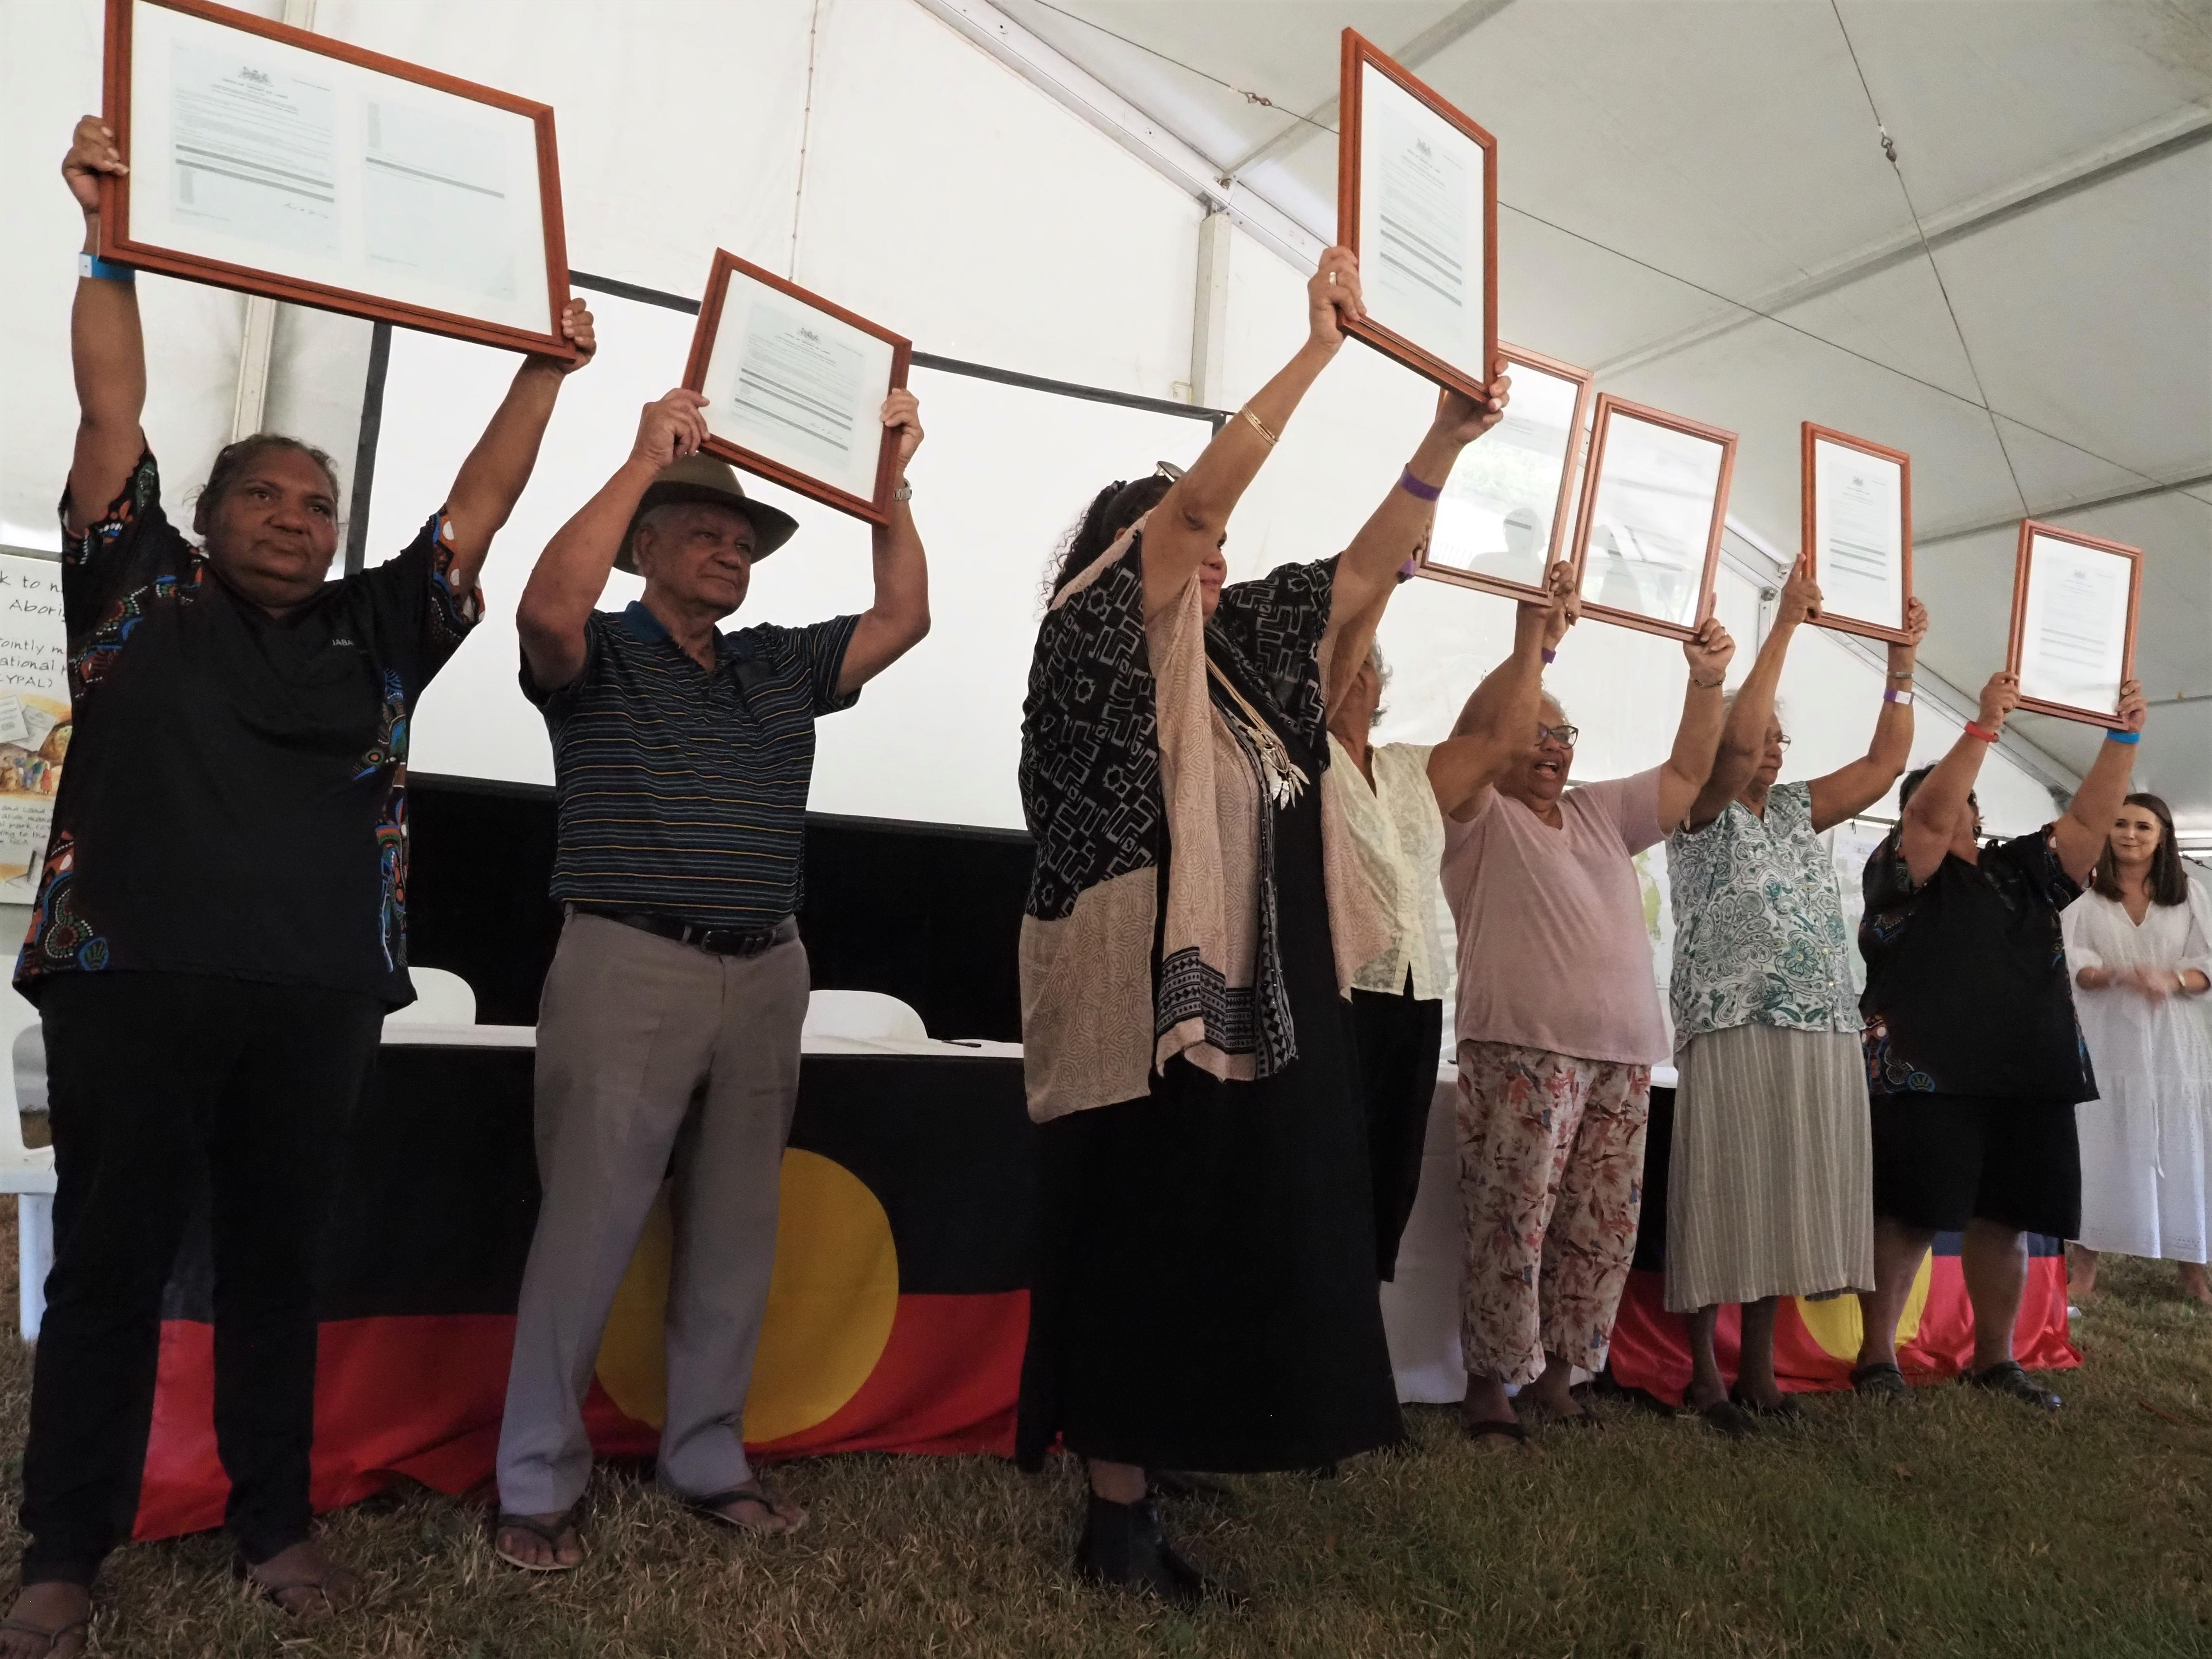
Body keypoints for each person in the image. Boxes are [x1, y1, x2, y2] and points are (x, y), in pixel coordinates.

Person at [2, 116, 594, 1657]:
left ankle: (276, 1522)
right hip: (129, 983)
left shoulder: (383, 634)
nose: (294, 518)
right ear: (204, 517)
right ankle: (66, 1547)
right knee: (112, 1278)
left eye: (318, 503)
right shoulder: (136, 595)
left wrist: (546, 368)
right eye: (265, 495)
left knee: (278, 1270)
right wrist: (110, 242)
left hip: (318, 999)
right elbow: (107, 403)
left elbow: (482, 509)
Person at [1014, 247, 1509, 1603]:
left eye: (1221, 551)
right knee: (1138, 1244)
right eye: (1193, 541)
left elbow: (1359, 576)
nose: (1216, 558)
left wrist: (1442, 436)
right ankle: (1114, 1524)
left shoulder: (1240, 675)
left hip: (1246, 1013)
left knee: (1202, 1246)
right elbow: (1189, 514)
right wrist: (1319, 352)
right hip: (1135, 1015)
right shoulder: (1094, 637)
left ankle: (1157, 1458)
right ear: (1133, 551)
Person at [491, 384, 929, 1571]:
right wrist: (643, 457)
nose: (732, 548)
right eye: (705, 531)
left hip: (767, 966)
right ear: (644, 545)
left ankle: (705, 1454)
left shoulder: (780, 665)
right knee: (587, 1224)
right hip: (628, 958)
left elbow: (905, 613)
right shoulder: (598, 652)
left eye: (744, 541)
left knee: (737, 1226)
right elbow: (543, 602)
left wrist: (888, 489)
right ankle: (533, 1479)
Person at [1442, 607, 1737, 1445]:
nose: (1552, 747)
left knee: (1598, 1227)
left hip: (1624, 1057)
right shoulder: (1474, 817)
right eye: (1534, 733)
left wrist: (1707, 680)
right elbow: (1474, 732)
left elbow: (1688, 770)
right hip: (1523, 1052)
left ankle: (1562, 1378)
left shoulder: (1600, 811)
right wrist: (1536, 646)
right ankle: (1490, 1386)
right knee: (1514, 1219)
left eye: (1563, 733)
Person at [1664, 565, 1926, 1432]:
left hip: (1817, 1020)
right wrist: (1784, 627)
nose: (1770, 747)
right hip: (1731, 1018)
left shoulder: (1795, 809)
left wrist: (1902, 663)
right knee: (1725, 1188)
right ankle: (1703, 1373)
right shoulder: (1699, 806)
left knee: (1787, 1191)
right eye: (1761, 732)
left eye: (1782, 735)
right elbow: (1730, 751)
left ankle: (1760, 1370)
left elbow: (1889, 762)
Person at [1852, 671, 2147, 1410]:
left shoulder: (2024, 871)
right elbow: (1926, 817)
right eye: (1945, 802)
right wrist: (1984, 725)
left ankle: (1995, 1359)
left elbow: (2087, 822)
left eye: (1966, 805)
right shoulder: (1901, 873)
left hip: (2029, 1068)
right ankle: (1877, 1359)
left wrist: (2124, 739)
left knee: (2008, 1217)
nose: (1956, 814)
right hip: (1925, 1075)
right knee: (1910, 1215)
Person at [1325, 564, 1579, 1281]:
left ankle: (1359, 1348)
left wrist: (1536, 641)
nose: (1358, 671)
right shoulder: (1298, 760)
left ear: (1379, 686)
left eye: (1368, 661)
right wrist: (1390, 576)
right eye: (1345, 655)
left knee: (1386, 1180)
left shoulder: (1410, 768)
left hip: (1415, 998)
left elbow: (1501, 742)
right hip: (1336, 994)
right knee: (1322, 1177)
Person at [2062, 794, 2212, 1303]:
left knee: (2182, 1144)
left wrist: (2171, 979)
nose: (2129, 834)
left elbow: (2207, 965)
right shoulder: (2087, 896)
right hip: (2110, 1037)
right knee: (2101, 1141)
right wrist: (2114, 975)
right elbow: (2072, 965)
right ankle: (2084, 1267)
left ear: (2162, 836)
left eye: (2142, 826)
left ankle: (2192, 1268)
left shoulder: (2189, 895)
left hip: (2174, 1042)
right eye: (2120, 823)